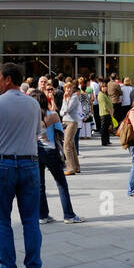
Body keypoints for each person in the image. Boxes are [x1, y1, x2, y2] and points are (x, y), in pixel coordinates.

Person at [0, 63, 45, 268]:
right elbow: (36, 134)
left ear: (8, 79)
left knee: (3, 220)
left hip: (2, 164)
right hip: (29, 164)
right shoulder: (33, 104)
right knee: (30, 219)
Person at [33, 92, 83, 224]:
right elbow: (60, 132)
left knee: (40, 185)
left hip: (35, 151)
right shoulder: (53, 115)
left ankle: (42, 215)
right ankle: (69, 215)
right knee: (61, 183)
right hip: (50, 150)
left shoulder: (29, 117)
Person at [60, 81, 82, 176]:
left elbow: (68, 109)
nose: (68, 90)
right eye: (67, 88)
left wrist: (65, 101)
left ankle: (70, 167)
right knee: (71, 145)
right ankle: (76, 167)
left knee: (67, 145)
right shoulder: (66, 98)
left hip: (72, 122)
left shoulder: (74, 98)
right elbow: (61, 112)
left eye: (70, 88)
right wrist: (64, 104)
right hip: (65, 122)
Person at [98, 81, 115, 147]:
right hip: (104, 113)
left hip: (108, 113)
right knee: (104, 128)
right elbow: (104, 106)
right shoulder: (101, 95)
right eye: (103, 87)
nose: (104, 88)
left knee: (107, 127)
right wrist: (111, 112)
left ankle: (107, 140)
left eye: (105, 87)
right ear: (100, 88)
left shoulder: (105, 94)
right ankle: (104, 141)